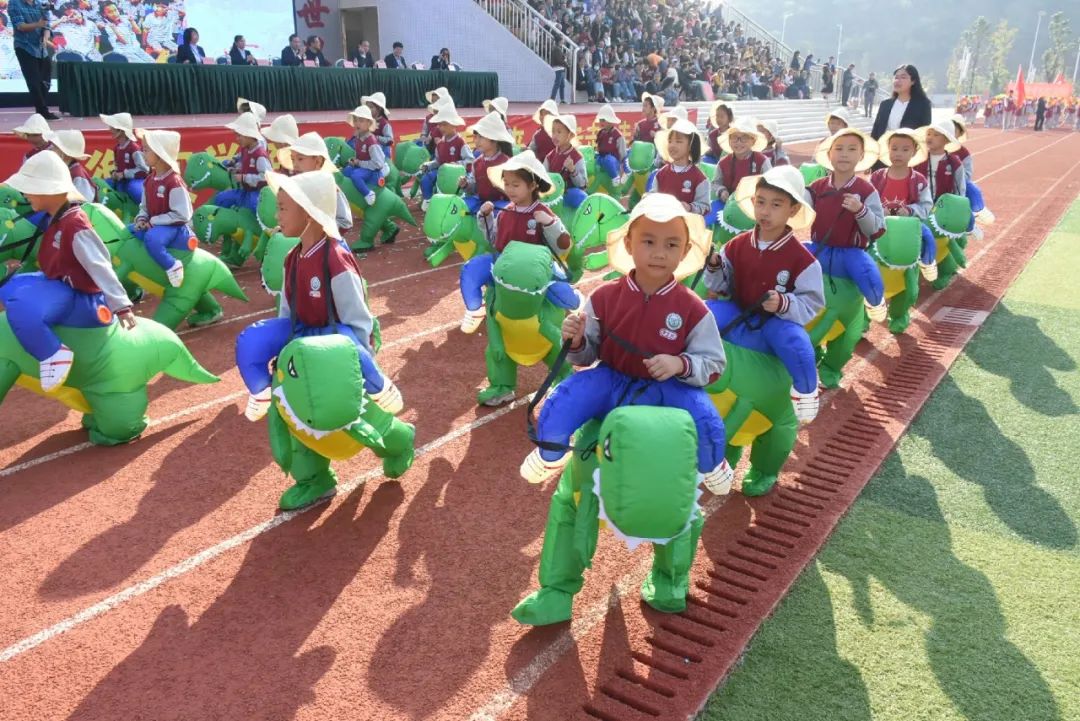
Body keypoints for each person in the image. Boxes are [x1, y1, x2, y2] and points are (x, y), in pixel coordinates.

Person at [524, 193, 733, 493]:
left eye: (671, 244)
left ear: (685, 250)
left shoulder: (693, 308)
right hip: (611, 379)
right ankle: (550, 452)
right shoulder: (604, 297)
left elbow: (714, 365)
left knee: (703, 415)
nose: (659, 253)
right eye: (648, 241)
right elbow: (584, 357)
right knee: (565, 397)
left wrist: (679, 364)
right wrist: (576, 340)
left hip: (667, 388)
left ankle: (711, 464)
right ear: (629, 244)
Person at [238, 170, 405, 426]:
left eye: (282, 208)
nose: (276, 216)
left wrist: (362, 360)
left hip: (332, 338)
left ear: (308, 212)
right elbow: (286, 313)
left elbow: (357, 318)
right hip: (302, 332)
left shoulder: (335, 258)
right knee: (252, 338)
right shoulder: (292, 258)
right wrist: (282, 351)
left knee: (349, 340)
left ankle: (378, 385)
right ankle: (262, 391)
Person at [0, 151, 135, 392]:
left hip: (79, 295)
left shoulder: (74, 223)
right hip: (58, 283)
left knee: (21, 305)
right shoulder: (56, 217)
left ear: (48, 190)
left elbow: (100, 265)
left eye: (30, 188)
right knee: (9, 286)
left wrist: (121, 306)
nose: (25, 194)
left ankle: (53, 353)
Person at [704, 165, 824, 420]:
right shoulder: (736, 245)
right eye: (760, 202)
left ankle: (807, 391)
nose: (765, 211)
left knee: (796, 343)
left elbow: (813, 303)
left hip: (776, 321)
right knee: (701, 313)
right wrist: (714, 266)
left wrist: (784, 303)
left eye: (776, 205)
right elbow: (720, 285)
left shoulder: (803, 260)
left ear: (793, 210)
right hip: (738, 309)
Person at [458, 151, 571, 339]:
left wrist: (550, 223)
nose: (509, 189)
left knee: (565, 294)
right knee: (471, 269)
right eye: (507, 184)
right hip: (504, 264)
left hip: (534, 269)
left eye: (516, 185)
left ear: (532, 185)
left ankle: (572, 303)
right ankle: (475, 309)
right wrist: (485, 217)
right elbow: (494, 240)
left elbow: (563, 245)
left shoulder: (543, 212)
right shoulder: (504, 212)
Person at [806, 128, 887, 320]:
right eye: (839, 148)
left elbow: (877, 229)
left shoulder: (866, 190)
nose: (844, 154)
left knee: (865, 275)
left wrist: (861, 210)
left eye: (852, 149)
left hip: (851, 252)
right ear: (829, 154)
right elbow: (798, 211)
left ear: (861, 156)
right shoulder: (816, 187)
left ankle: (875, 304)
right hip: (819, 247)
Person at [130, 129, 193, 297]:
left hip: (173, 227)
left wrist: (154, 221)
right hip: (155, 223)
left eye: (146, 150)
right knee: (129, 232)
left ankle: (172, 265)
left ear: (160, 154)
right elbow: (144, 206)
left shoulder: (174, 182)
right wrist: (141, 218)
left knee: (152, 238)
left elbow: (182, 214)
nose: (142, 153)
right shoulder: (149, 179)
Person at [278, 132, 353, 236]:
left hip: (324, 242)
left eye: (300, 159)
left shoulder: (329, 188)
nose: (295, 165)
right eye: (292, 159)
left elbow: (345, 222)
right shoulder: (296, 188)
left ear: (318, 161)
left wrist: (319, 228)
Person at [647, 117, 708, 216]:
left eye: (678, 141)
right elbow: (654, 195)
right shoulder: (661, 174)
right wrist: (648, 198)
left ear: (690, 146)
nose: (672, 145)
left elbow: (704, 207)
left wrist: (689, 207)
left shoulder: (699, 178)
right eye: (670, 141)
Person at [214, 112, 270, 215]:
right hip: (246, 191)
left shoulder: (260, 155)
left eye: (239, 136)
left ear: (249, 135)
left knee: (254, 205)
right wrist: (236, 170)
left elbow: (267, 177)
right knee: (221, 198)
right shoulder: (245, 149)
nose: (237, 139)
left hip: (258, 193)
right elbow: (246, 166)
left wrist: (244, 178)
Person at [711, 118, 771, 213]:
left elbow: (771, 184)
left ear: (753, 141)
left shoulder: (762, 161)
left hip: (754, 207)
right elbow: (715, 183)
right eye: (734, 137)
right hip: (728, 206)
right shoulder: (723, 163)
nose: (739, 142)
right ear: (729, 140)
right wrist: (722, 191)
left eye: (744, 138)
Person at [418, 104, 472, 209]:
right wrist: (428, 165)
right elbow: (438, 161)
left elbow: (470, 160)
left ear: (454, 125)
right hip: (443, 173)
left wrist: (456, 164)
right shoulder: (440, 144)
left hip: (458, 176)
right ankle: (428, 201)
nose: (441, 127)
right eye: (439, 124)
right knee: (426, 179)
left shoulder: (460, 142)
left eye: (444, 124)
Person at [460, 111, 513, 215]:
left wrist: (499, 186)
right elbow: (475, 189)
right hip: (481, 202)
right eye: (476, 137)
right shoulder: (476, 163)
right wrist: (466, 185)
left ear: (494, 139)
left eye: (481, 137)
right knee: (460, 209)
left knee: (498, 214)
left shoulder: (506, 163)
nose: (476, 141)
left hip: (500, 204)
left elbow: (514, 192)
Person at [11, 0, 57, 118]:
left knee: (46, 80)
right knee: (34, 81)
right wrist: (38, 24)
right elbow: (20, 26)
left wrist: (45, 38)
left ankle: (42, 109)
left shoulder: (41, 3)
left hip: (41, 48)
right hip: (24, 46)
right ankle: (42, 110)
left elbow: (47, 25)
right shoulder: (14, 3)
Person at [342, 105, 389, 207]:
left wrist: (359, 163)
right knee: (346, 171)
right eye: (355, 120)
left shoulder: (371, 142)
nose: (357, 123)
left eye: (361, 120)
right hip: (363, 167)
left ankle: (368, 194)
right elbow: (360, 155)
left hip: (372, 170)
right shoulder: (358, 137)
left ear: (369, 123)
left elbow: (378, 164)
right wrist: (354, 161)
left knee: (356, 175)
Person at [871, 64, 933, 140]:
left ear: (913, 81)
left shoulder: (923, 104)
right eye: (896, 77)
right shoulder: (885, 104)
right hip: (884, 146)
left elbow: (924, 133)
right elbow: (875, 132)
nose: (898, 81)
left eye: (903, 77)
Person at [912, 119, 966, 201]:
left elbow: (960, 188)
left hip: (944, 206)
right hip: (921, 204)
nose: (930, 137)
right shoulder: (918, 159)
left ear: (947, 140)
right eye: (928, 134)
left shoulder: (954, 163)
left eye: (936, 135)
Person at [542, 114, 587, 211]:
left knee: (580, 196)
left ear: (570, 135)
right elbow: (543, 176)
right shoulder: (550, 156)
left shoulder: (577, 157)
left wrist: (573, 170)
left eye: (559, 132)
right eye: (553, 131)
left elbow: (582, 184)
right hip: (552, 195)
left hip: (567, 194)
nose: (555, 135)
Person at [101, 112, 149, 204]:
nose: (110, 129)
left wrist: (124, 174)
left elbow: (144, 170)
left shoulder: (134, 149)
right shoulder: (117, 148)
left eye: (113, 127)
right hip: (122, 181)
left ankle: (145, 208)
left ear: (121, 131)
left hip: (136, 181)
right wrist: (115, 173)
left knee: (135, 190)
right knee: (101, 185)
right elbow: (117, 167)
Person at [45, 129, 95, 203]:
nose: (51, 149)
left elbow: (84, 202)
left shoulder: (77, 175)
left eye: (55, 147)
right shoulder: (64, 168)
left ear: (65, 153)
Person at [593, 104, 627, 183]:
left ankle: (615, 178)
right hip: (601, 158)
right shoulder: (601, 133)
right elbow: (598, 148)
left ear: (611, 121)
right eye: (600, 120)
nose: (601, 122)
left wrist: (622, 169)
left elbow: (623, 155)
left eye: (603, 120)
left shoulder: (618, 136)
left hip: (613, 161)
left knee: (609, 160)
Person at [363, 92, 394, 159]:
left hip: (381, 152)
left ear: (379, 109)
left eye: (371, 107)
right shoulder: (368, 121)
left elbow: (390, 140)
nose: (368, 110)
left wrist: (376, 138)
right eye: (367, 107)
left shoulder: (384, 124)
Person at [703, 101, 733, 165]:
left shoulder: (733, 133)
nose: (719, 119)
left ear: (729, 117)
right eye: (717, 116)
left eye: (722, 116)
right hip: (715, 162)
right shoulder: (712, 134)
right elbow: (709, 150)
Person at [528, 99, 558, 163]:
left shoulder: (561, 132)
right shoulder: (538, 134)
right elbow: (531, 151)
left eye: (546, 114)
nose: (541, 117)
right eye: (541, 114)